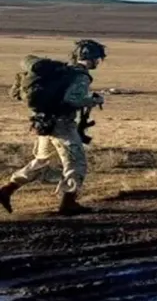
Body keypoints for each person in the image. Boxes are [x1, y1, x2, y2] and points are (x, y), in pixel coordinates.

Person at [1, 40, 107, 215]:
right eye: (98, 59)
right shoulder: (81, 76)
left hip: (44, 123)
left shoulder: (64, 72)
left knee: (42, 161)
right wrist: (95, 100)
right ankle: (69, 202)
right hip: (62, 125)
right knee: (76, 163)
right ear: (94, 58)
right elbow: (71, 100)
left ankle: (7, 189)